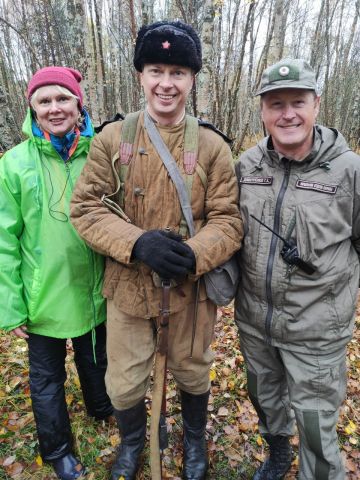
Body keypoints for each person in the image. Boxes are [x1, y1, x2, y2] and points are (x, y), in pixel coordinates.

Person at [70, 20, 243, 480]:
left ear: (192, 79)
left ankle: (192, 442)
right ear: (140, 76)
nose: (166, 83)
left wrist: (195, 253)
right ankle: (132, 444)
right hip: (128, 288)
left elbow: (228, 219)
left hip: (190, 291)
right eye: (155, 70)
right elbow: (85, 208)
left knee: (193, 371)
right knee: (123, 382)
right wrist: (137, 243)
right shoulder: (113, 140)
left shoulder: (211, 146)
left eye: (178, 72)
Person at [234, 57, 360, 480]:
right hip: (255, 321)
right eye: (276, 104)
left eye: (298, 102)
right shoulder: (247, 166)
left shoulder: (349, 171)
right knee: (266, 400)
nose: (287, 114)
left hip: (317, 329)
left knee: (315, 423)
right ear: (263, 112)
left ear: (316, 105)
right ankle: (276, 454)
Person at [0, 66, 113, 480]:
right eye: (44, 101)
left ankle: (102, 409)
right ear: (31, 107)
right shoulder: (14, 164)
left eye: (63, 98)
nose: (55, 108)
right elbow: (3, 241)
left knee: (96, 361)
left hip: (94, 289)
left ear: (78, 102)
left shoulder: (100, 152)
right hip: (42, 296)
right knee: (47, 380)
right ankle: (58, 449)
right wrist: (11, 307)